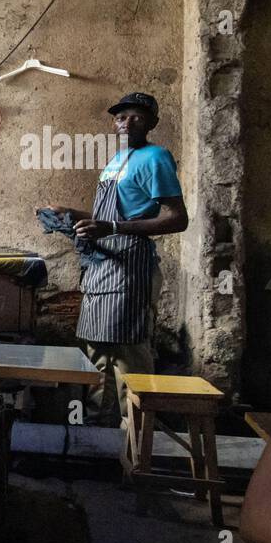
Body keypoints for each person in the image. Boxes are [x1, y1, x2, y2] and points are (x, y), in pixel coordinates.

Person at [39, 92, 188, 425]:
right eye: (121, 117)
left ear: (152, 122)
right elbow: (102, 215)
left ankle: (138, 437)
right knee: (97, 352)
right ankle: (97, 431)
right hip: (101, 265)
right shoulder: (115, 162)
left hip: (130, 267)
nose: (126, 122)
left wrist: (112, 226)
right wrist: (70, 212)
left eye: (136, 116)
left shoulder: (156, 157)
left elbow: (178, 218)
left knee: (129, 355)